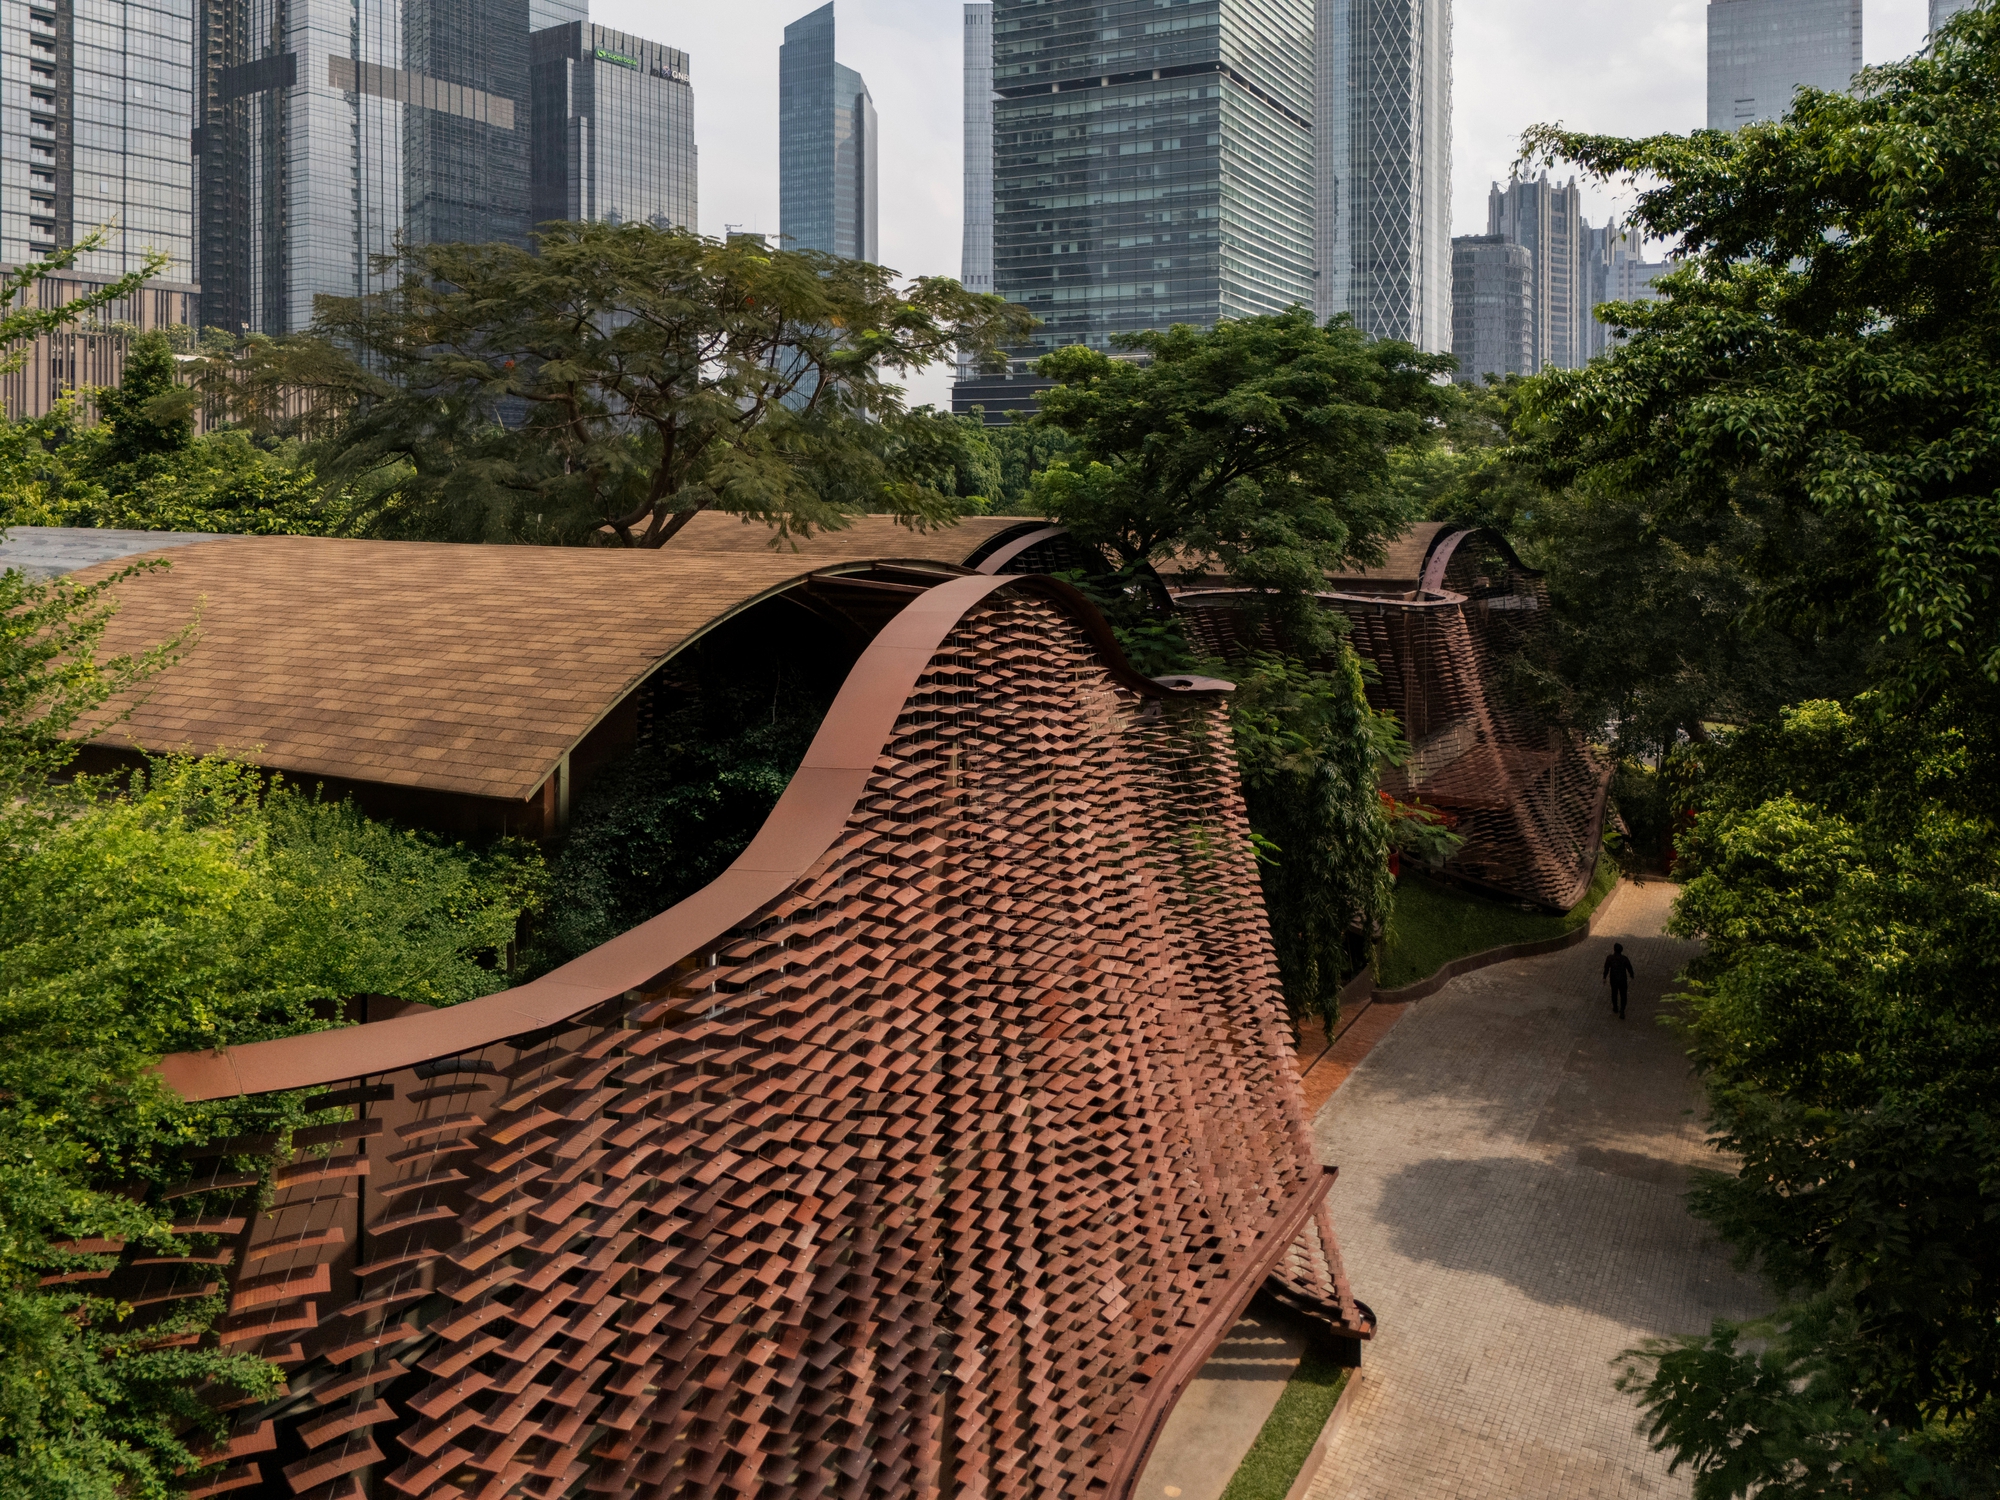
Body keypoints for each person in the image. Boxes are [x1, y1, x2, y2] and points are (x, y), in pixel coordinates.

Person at [1602, 942, 1635, 1020]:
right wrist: (1631, 975)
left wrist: (1604, 977)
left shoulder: (1610, 958)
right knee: (1623, 994)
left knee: (1614, 993)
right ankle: (1622, 1010)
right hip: (1622, 979)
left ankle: (1615, 1007)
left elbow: (1606, 968)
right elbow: (1629, 967)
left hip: (1613, 979)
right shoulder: (1624, 959)